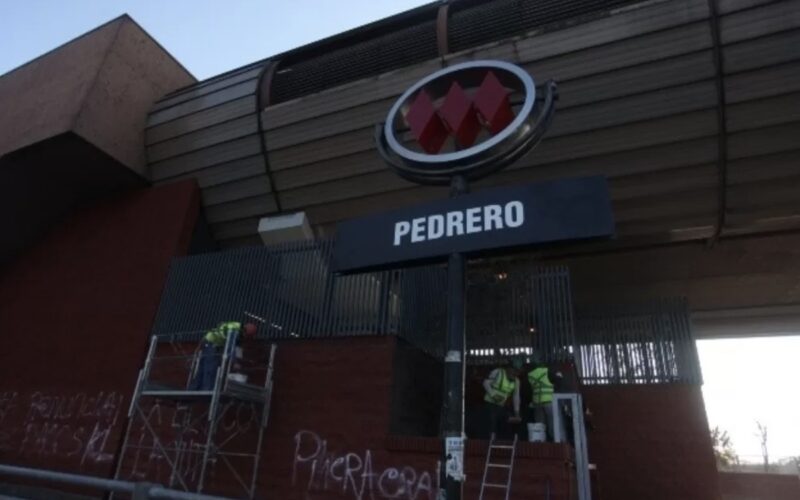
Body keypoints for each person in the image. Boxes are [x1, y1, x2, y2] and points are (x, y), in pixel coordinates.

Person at [190, 321, 257, 390]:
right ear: (247, 331)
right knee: (211, 367)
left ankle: (193, 389)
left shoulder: (236, 326)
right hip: (213, 343)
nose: (246, 337)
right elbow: (230, 346)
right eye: (249, 335)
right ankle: (207, 389)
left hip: (210, 341)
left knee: (202, 368)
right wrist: (234, 362)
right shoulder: (235, 330)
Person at [482, 358, 522, 438]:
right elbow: (485, 383)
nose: (515, 373)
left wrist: (517, 412)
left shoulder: (516, 381)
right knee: (491, 423)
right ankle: (491, 441)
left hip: (501, 406)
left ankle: (501, 440)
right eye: (514, 370)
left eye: (517, 372)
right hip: (489, 404)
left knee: (504, 423)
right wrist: (493, 395)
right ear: (508, 368)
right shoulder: (498, 372)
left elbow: (516, 397)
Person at [526, 358, 559, 441]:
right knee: (553, 424)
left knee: (540, 426)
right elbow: (558, 380)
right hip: (549, 401)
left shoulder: (530, 374)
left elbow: (528, 390)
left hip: (537, 403)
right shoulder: (547, 371)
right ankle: (554, 441)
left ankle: (541, 442)